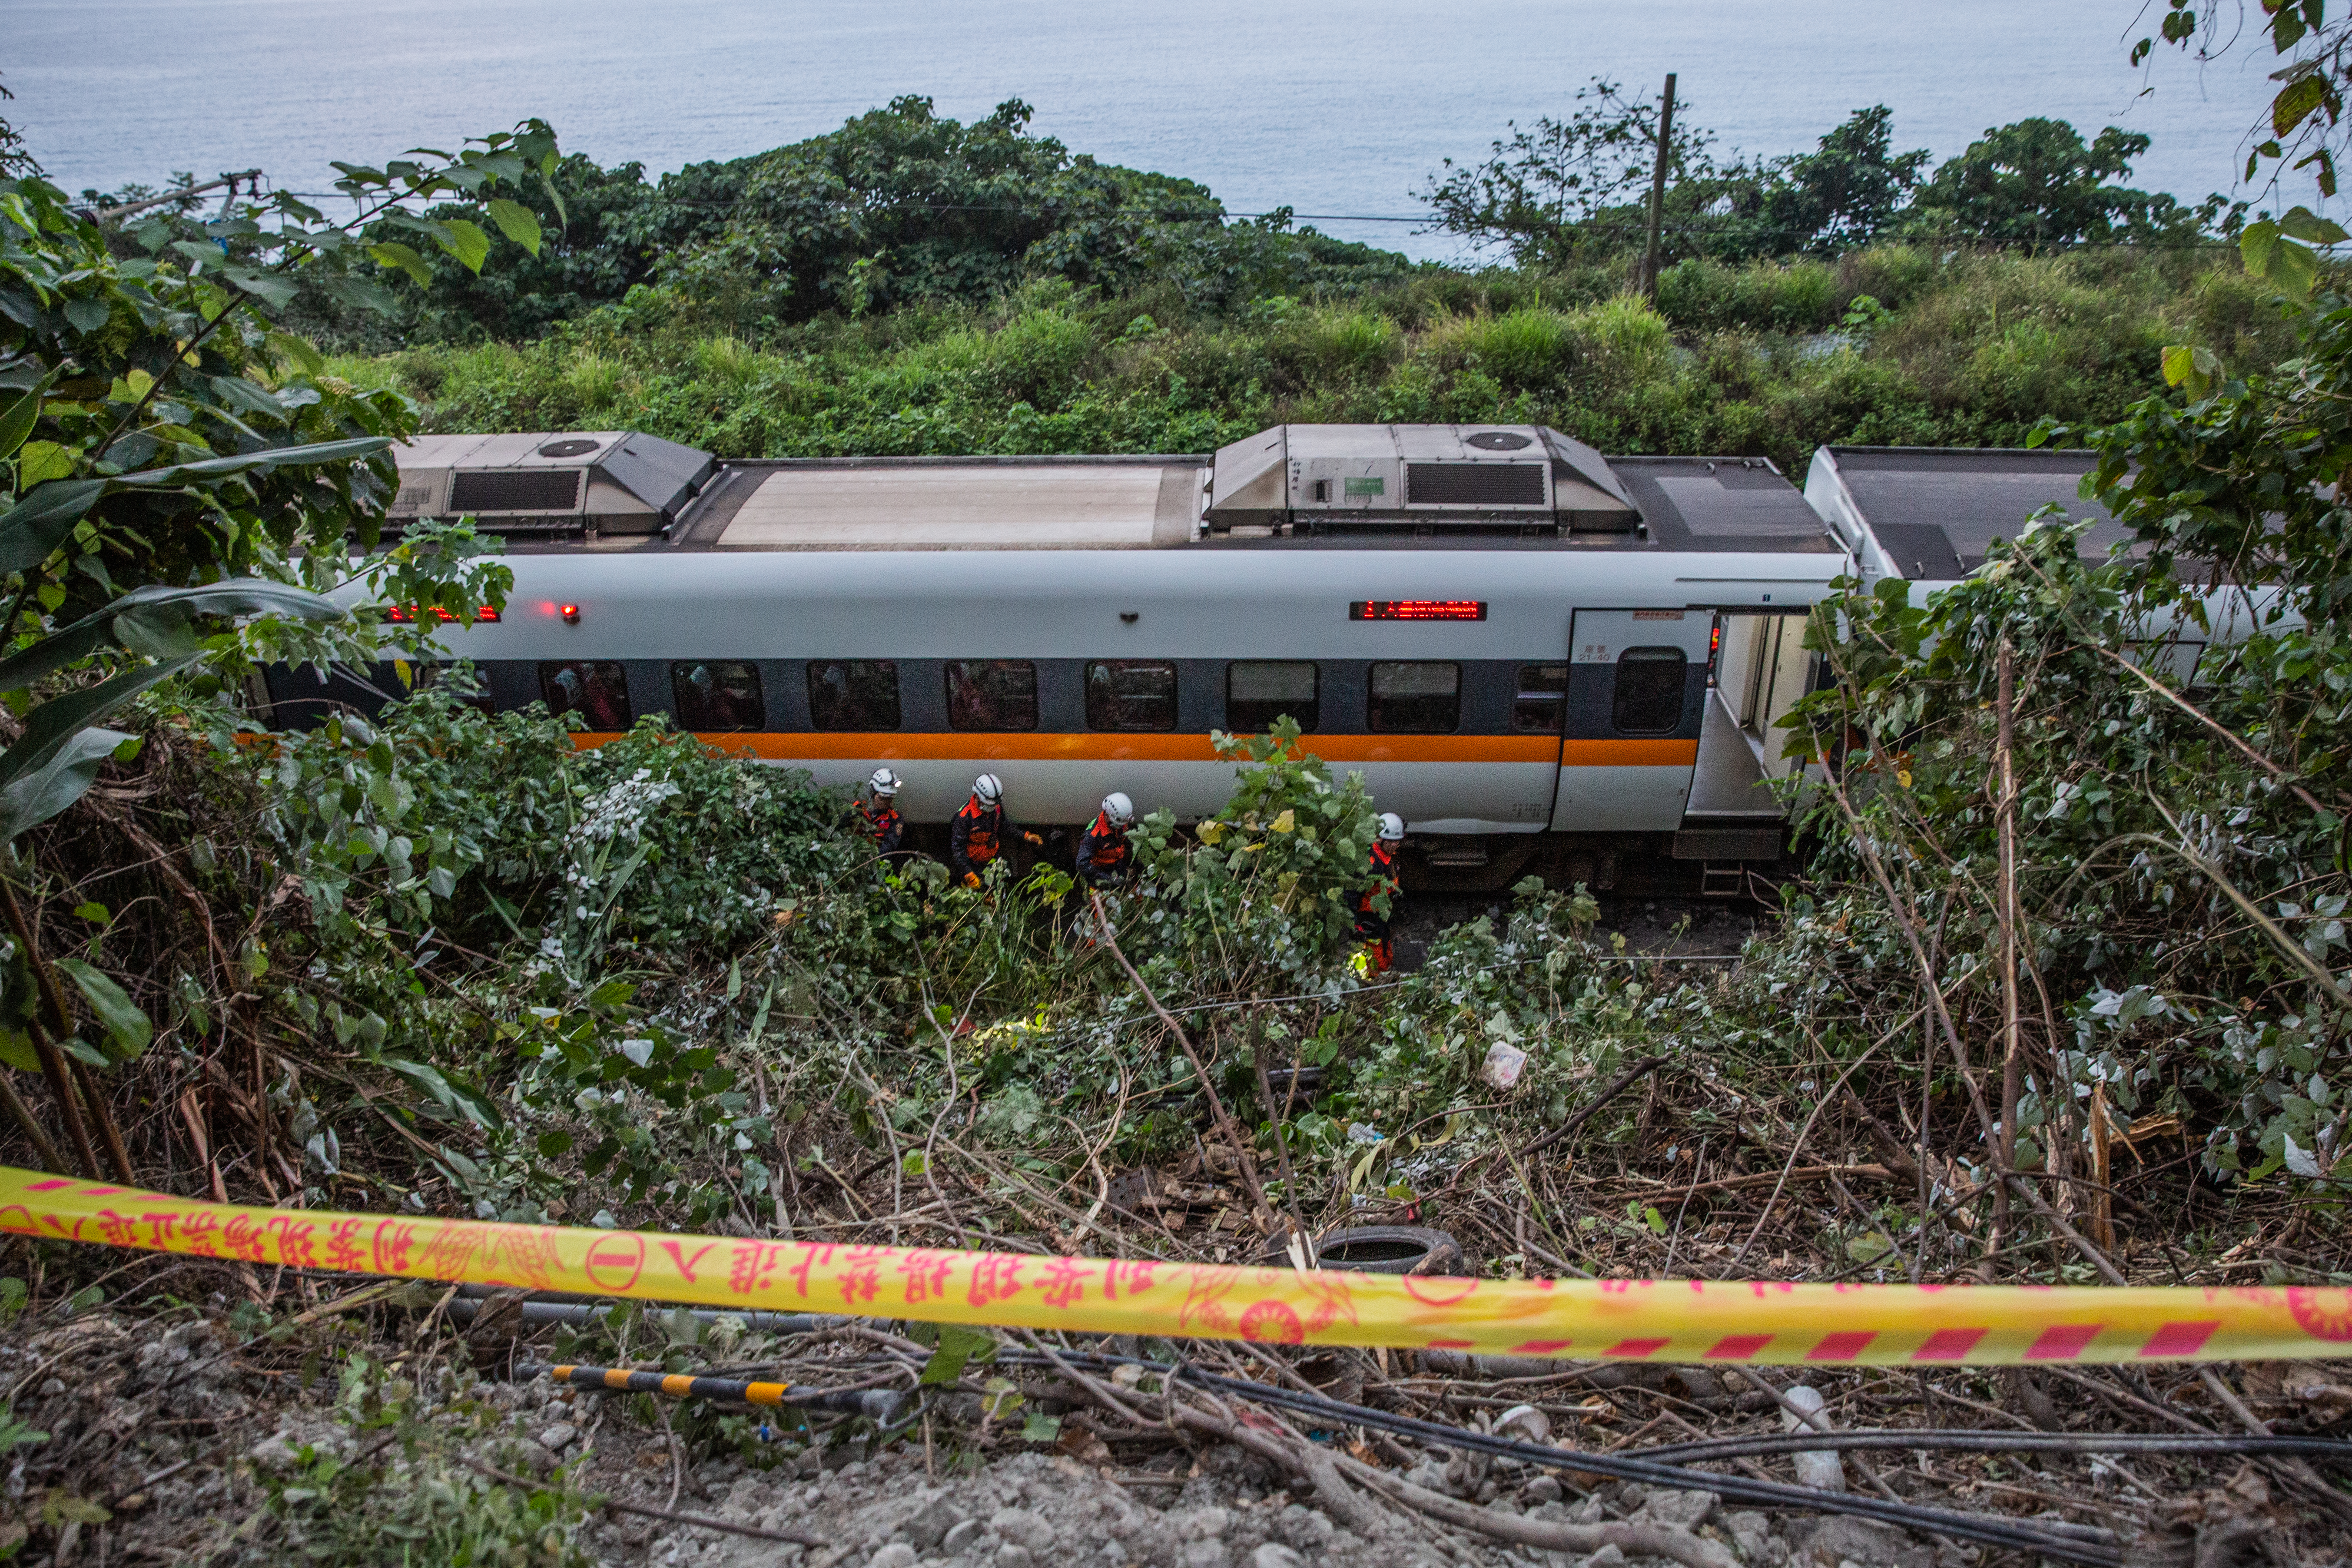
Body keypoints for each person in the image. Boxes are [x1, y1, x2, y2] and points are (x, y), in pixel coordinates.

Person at [949, 772, 1041, 888]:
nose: (992, 808)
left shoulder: (996, 808)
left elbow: (1005, 826)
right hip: (973, 864)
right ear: (978, 796)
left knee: (999, 893)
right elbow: (958, 850)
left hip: (993, 860)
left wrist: (1026, 836)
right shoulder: (964, 818)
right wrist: (968, 873)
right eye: (989, 805)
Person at [1353, 812, 1406, 975]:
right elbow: (1353, 893)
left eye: (1398, 842)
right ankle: (1365, 981)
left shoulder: (1388, 857)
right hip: (1367, 916)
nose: (1395, 846)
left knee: (1384, 947)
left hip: (1380, 915)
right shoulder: (1370, 863)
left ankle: (1382, 977)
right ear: (1381, 839)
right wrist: (1355, 922)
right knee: (1370, 953)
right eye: (1392, 842)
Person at [1075, 792, 1137, 888]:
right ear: (1109, 816)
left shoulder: (1120, 821)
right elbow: (1082, 863)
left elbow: (1125, 841)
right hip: (1101, 876)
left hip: (1119, 868)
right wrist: (1107, 879)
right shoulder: (1093, 834)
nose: (1123, 827)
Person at [856, 766, 904, 856]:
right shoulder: (858, 808)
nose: (886, 802)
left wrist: (873, 858)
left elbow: (890, 845)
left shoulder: (895, 818)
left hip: (877, 860)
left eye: (890, 799)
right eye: (883, 798)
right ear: (873, 793)